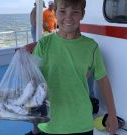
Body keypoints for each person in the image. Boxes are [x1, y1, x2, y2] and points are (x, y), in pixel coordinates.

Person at [33, 0, 119, 135]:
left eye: (75, 12)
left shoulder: (91, 47)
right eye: (62, 11)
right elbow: (32, 78)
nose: (68, 17)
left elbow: (103, 80)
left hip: (82, 124)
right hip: (50, 123)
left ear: (82, 14)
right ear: (54, 12)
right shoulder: (44, 44)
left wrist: (112, 114)